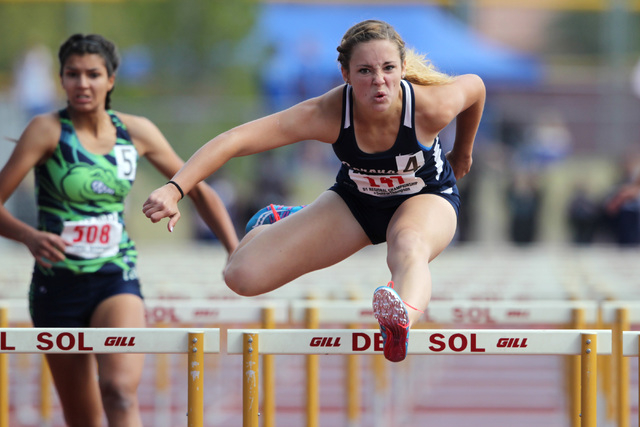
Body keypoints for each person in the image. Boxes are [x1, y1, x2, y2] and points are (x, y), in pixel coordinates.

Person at [143, 20, 485, 362]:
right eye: (365, 71)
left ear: (403, 68)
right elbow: (234, 140)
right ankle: (290, 220)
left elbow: (476, 88)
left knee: (408, 245)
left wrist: (462, 153)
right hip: (357, 203)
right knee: (241, 277)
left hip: (425, 198)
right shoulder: (328, 113)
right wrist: (175, 188)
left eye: (388, 68)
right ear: (345, 74)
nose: (379, 81)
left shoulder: (430, 106)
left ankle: (399, 321)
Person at [0, 34, 239, 427]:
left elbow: (200, 189)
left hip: (115, 278)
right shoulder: (46, 131)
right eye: (73, 74)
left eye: (93, 74)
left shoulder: (136, 132)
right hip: (56, 286)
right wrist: (28, 235)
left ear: (110, 80)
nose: (83, 83)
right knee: (83, 418)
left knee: (120, 391)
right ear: (61, 79)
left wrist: (235, 253)